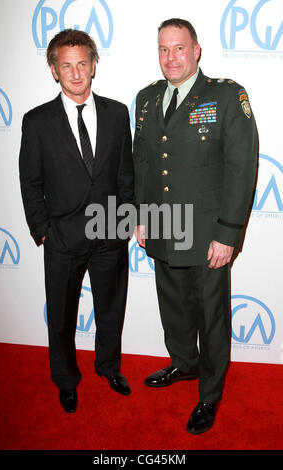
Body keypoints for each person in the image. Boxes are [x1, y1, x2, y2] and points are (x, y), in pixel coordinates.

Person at [133, 18, 257, 434]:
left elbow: (242, 167)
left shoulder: (225, 94)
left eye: (179, 48)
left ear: (196, 50)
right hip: (164, 225)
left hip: (207, 233)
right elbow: (144, 163)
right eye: (163, 49)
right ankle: (183, 364)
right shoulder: (147, 99)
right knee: (174, 306)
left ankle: (210, 393)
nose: (171, 57)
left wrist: (228, 232)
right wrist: (141, 215)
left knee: (211, 315)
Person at [19, 29, 134, 413]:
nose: (75, 73)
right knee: (63, 317)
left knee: (110, 309)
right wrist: (42, 233)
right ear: (54, 70)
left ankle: (109, 367)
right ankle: (66, 379)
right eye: (66, 66)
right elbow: (30, 182)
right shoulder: (36, 121)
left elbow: (125, 175)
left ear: (94, 65)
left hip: (109, 234)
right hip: (62, 239)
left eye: (82, 63)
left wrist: (125, 222)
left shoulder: (118, 113)